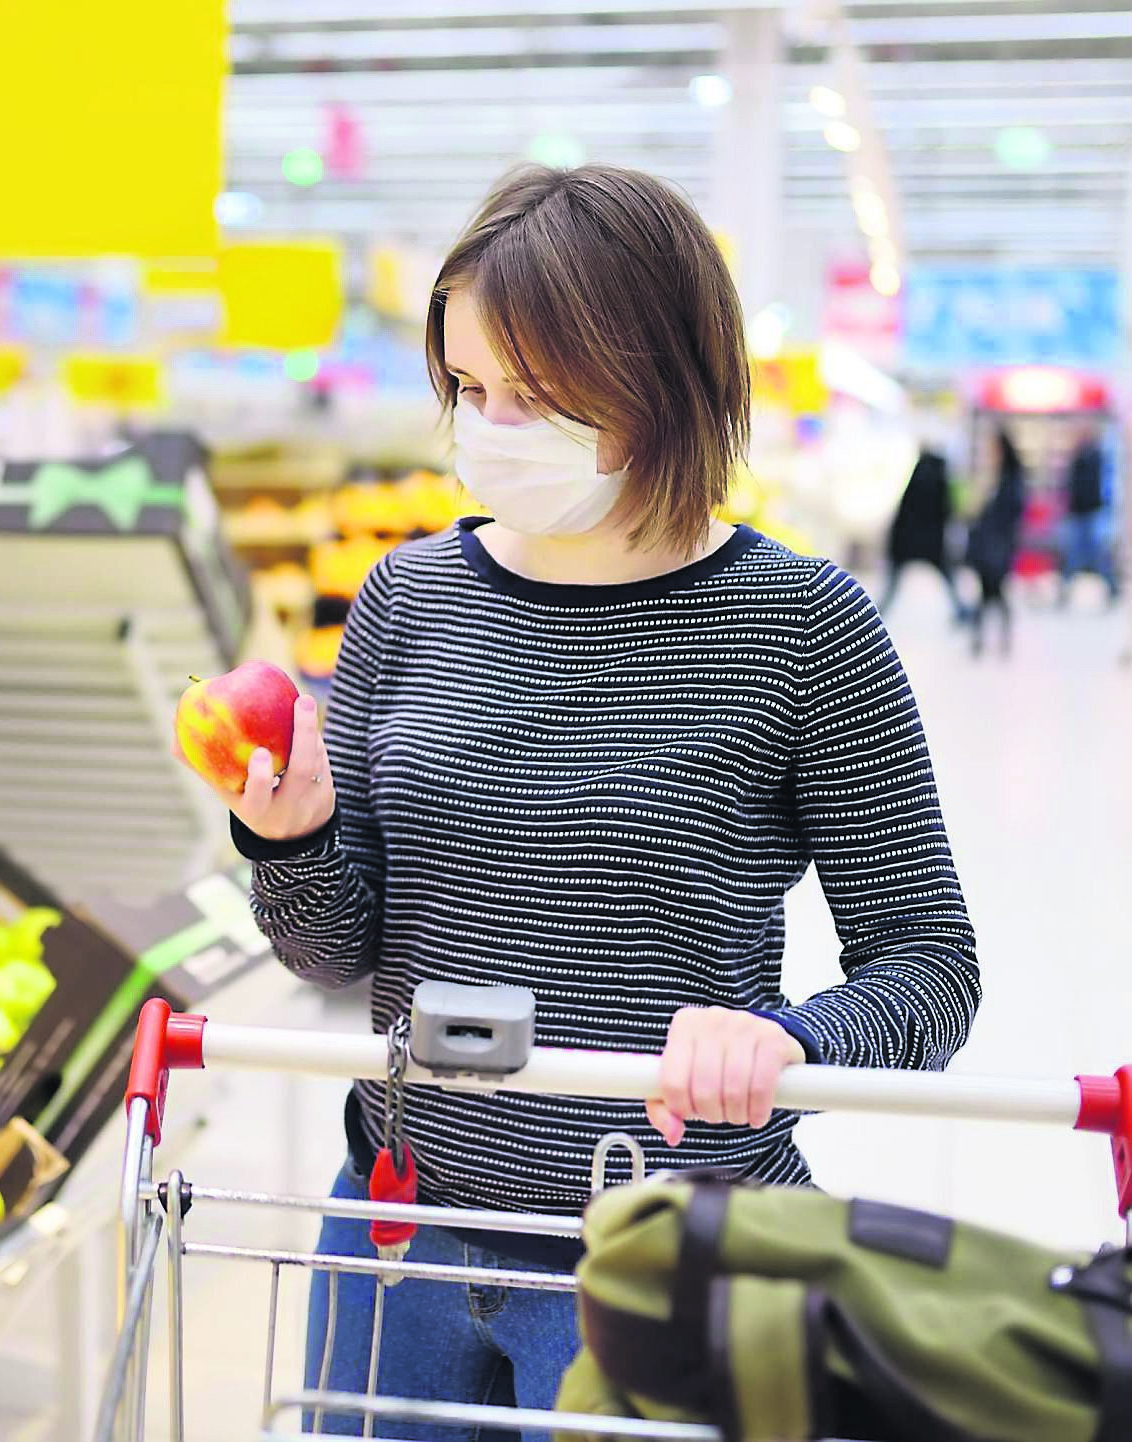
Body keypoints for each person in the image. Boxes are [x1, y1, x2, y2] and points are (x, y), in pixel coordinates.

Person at [181, 165, 980, 1439]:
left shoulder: (801, 627)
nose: (491, 428)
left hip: (663, 1252)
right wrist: (292, 839)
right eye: (468, 388)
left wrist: (788, 1043)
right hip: (398, 1229)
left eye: (540, 396)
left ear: (663, 382)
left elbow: (930, 962)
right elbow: (336, 953)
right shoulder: (407, 600)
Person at [882, 437, 965, 620]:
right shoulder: (940, 476)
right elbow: (947, 510)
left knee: (892, 584)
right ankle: (961, 611)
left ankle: (876, 612)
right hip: (932, 541)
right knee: (947, 577)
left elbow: (905, 509)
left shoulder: (919, 474)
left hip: (907, 540)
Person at [965, 427, 1026, 658]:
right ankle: (984, 639)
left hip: (997, 545)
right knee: (988, 593)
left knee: (994, 592)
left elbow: (1009, 514)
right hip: (989, 545)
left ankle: (991, 639)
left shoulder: (1010, 480)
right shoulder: (997, 477)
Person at [1060, 422, 1119, 604]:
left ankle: (1112, 586)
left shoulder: (1096, 457)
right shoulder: (1078, 458)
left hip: (1092, 513)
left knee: (1098, 554)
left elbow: (1097, 487)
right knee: (1073, 554)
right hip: (1078, 513)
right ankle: (1065, 588)